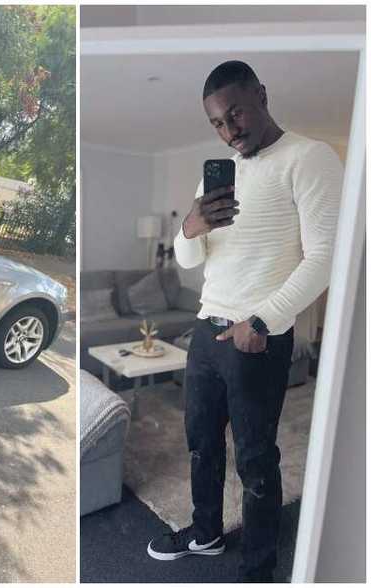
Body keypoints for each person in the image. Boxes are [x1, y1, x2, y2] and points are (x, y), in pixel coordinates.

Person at [146, 60, 341, 581]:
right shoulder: (219, 173)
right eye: (217, 123)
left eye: (236, 113)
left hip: (257, 336)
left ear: (261, 94)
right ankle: (206, 532)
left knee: (255, 459)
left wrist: (263, 321)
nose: (229, 131)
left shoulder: (310, 157)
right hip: (207, 330)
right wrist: (189, 226)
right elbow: (190, 261)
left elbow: (324, 257)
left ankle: (258, 567)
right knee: (201, 443)